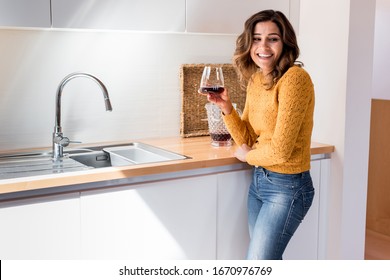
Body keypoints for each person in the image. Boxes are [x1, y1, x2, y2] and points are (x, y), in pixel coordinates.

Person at [206, 10, 315, 259]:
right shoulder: (257, 79)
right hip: (260, 182)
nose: (263, 46)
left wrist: (248, 157)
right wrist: (227, 107)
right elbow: (246, 138)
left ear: (285, 42)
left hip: (288, 187)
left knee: (258, 264)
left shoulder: (295, 79)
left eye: (272, 39)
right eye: (256, 39)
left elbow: (281, 150)